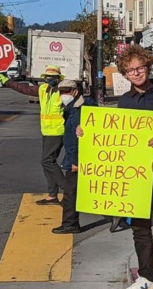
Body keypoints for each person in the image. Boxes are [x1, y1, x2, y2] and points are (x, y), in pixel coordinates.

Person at [79, 46, 153, 289]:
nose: (136, 73)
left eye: (140, 68)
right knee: (139, 228)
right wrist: (86, 133)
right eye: (130, 70)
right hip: (133, 175)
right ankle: (147, 276)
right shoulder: (126, 100)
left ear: (148, 68)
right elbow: (114, 134)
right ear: (125, 74)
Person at [0, 65, 66, 205]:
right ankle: (52, 195)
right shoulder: (43, 89)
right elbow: (24, 89)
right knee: (48, 162)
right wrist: (7, 81)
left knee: (47, 161)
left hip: (58, 131)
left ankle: (68, 190)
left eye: (52, 77)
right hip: (46, 131)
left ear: (58, 79)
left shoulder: (63, 92)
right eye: (47, 77)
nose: (49, 79)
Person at [52, 79, 96, 234]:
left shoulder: (82, 109)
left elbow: (82, 138)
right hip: (74, 156)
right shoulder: (72, 107)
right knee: (78, 191)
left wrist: (76, 161)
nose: (64, 95)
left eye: (67, 91)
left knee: (71, 192)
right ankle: (71, 222)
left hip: (78, 158)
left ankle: (70, 224)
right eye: (61, 92)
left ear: (75, 91)